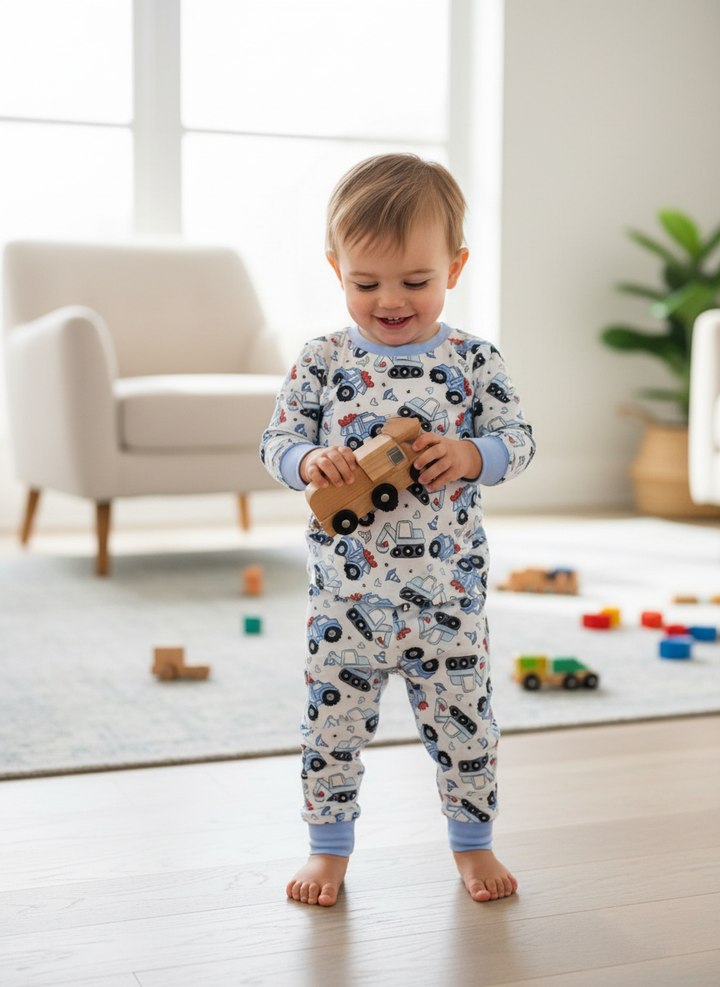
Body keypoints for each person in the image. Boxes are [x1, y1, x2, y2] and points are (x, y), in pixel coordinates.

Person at [260, 153, 535, 907]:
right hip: (343, 604)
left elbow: (521, 439)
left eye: (415, 281)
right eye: (366, 281)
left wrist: (473, 452)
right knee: (331, 731)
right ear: (335, 267)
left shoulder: (473, 361)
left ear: (455, 265)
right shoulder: (321, 360)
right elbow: (274, 445)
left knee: (466, 728)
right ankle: (328, 850)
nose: (390, 300)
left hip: (447, 600)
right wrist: (311, 458)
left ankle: (473, 844)